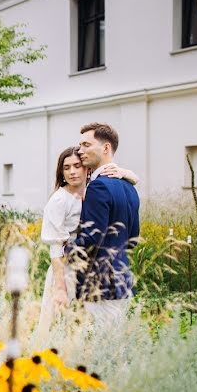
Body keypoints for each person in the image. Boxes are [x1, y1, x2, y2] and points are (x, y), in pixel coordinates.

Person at [38, 146, 138, 330]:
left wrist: (124, 172)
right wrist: (60, 288)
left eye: (77, 165)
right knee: (56, 326)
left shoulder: (93, 191)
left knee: (83, 328)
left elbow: (133, 179)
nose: (72, 171)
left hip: (90, 271)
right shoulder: (59, 200)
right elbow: (55, 247)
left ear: (87, 168)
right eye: (66, 167)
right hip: (65, 269)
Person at [68, 122, 141, 329]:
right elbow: (132, 239)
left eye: (86, 145)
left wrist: (67, 248)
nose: (80, 151)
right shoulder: (130, 187)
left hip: (99, 285)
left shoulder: (98, 186)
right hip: (121, 282)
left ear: (106, 148)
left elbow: (91, 239)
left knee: (97, 351)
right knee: (115, 350)